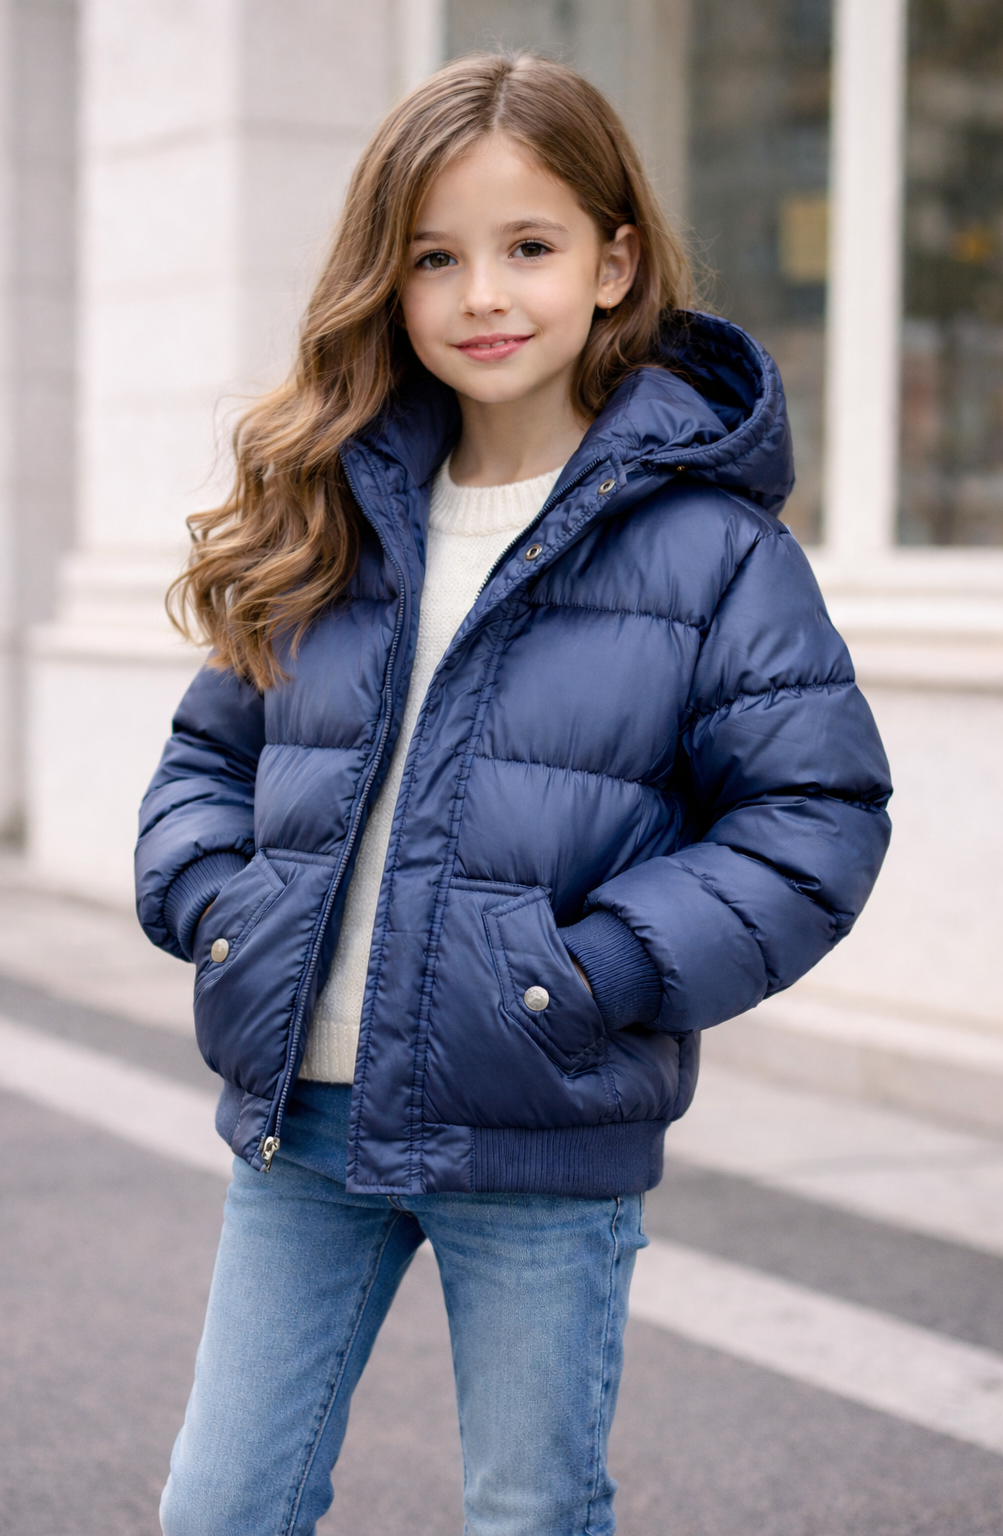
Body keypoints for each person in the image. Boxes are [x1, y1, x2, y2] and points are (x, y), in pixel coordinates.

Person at [136, 52, 892, 1536]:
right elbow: (203, 766)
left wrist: (587, 974)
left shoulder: (710, 554)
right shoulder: (334, 515)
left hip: (539, 1129)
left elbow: (815, 818)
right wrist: (226, 909)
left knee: (530, 1513)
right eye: (436, 257)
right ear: (390, 280)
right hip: (303, 1121)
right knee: (219, 1507)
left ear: (614, 264)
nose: (483, 293)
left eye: (528, 247)